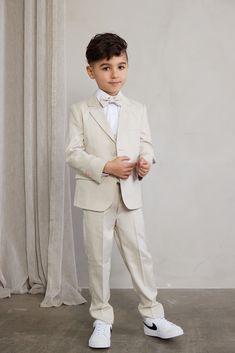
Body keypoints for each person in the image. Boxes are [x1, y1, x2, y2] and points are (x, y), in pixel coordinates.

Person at [65, 32, 184, 349]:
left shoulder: (137, 108)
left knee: (140, 257)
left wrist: (146, 161)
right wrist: (106, 166)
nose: (115, 74)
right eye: (106, 67)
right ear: (91, 71)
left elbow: (145, 144)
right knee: (98, 261)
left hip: (129, 195)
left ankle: (153, 316)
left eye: (121, 66)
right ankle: (102, 320)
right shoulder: (80, 110)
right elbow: (72, 153)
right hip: (95, 196)